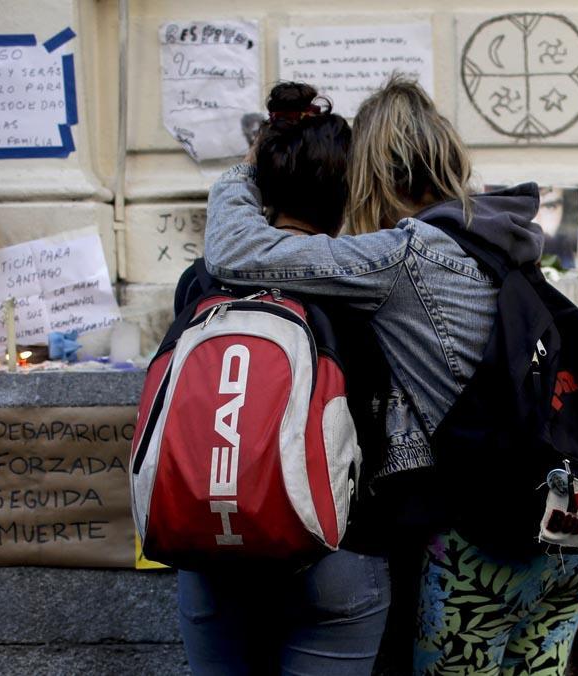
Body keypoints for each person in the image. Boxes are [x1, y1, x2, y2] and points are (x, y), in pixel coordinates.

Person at [204, 75, 578, 675]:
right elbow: (574, 414)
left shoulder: (401, 256)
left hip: (483, 553)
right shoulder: (510, 246)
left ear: (369, 175)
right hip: (566, 547)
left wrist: (249, 167)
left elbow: (236, 253)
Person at [175, 81, 392, 676]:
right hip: (332, 550)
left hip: (211, 542)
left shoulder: (202, 281)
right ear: (348, 191)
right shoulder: (357, 280)